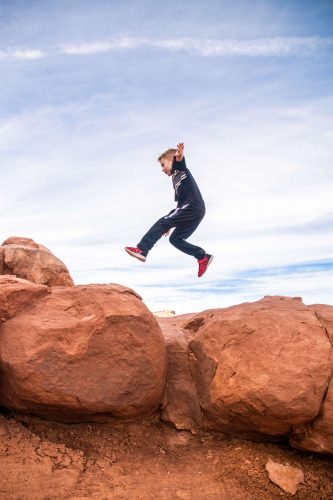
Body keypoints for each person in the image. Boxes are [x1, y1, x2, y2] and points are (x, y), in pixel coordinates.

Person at [125, 143, 213, 277]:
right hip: (194, 211)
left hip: (192, 207)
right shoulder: (175, 180)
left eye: (162, 165)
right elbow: (179, 206)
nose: (162, 169)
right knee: (175, 239)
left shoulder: (180, 169)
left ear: (172, 160)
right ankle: (202, 257)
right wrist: (171, 224)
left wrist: (179, 156)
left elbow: (179, 162)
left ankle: (142, 249)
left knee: (162, 221)